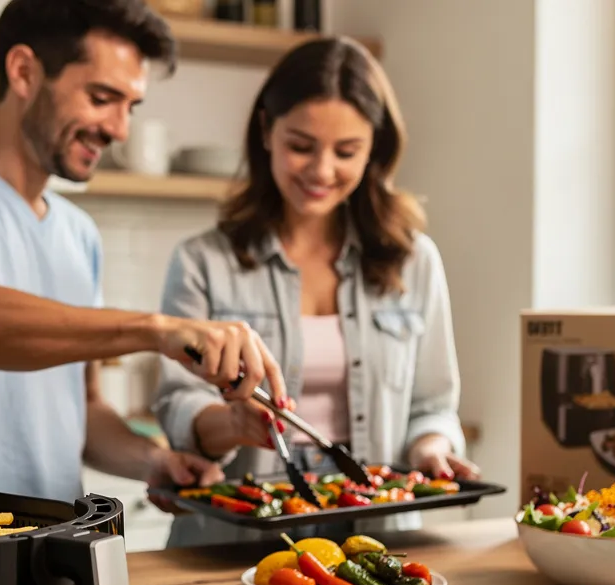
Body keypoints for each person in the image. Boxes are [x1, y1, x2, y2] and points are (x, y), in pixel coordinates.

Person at [0, 0, 286, 503]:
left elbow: (84, 410)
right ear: (23, 72)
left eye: (130, 106)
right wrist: (155, 330)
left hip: (58, 544)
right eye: (102, 97)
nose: (119, 129)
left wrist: (156, 461)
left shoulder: (79, 233)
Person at [152, 36, 478, 547]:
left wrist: (432, 449)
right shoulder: (203, 262)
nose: (321, 171)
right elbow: (178, 408)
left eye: (346, 151)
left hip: (377, 530)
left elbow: (432, 405)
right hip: (235, 538)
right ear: (266, 130)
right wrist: (233, 421)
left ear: (375, 147)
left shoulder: (413, 261)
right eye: (301, 146)